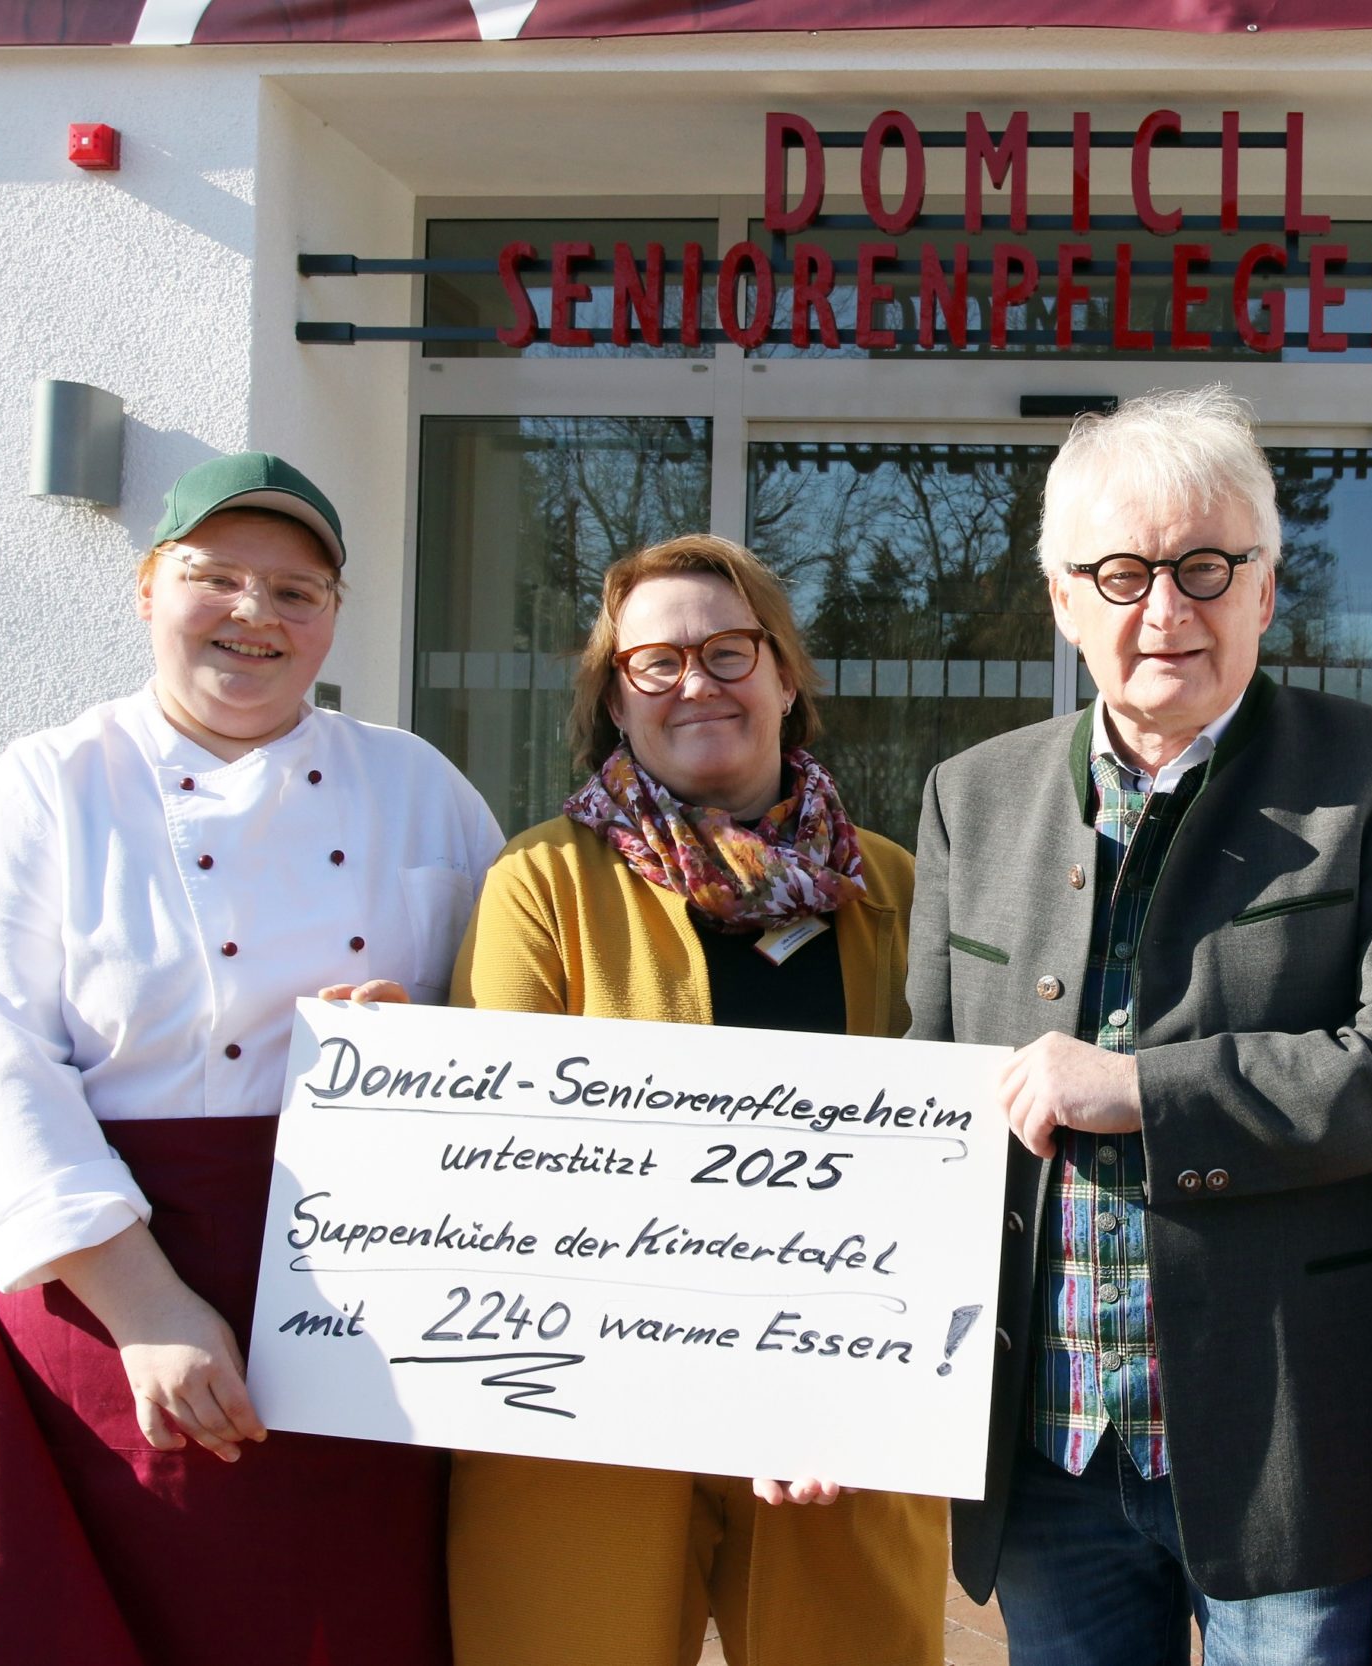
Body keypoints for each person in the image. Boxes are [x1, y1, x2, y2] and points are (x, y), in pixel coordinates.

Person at [907, 385, 1372, 1666]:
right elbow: (931, 1128)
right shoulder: (973, 797)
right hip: (1051, 1448)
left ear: (1268, 588)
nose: (1164, 610)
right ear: (1062, 598)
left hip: (1288, 1444)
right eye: (1120, 573)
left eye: (1206, 566)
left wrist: (1147, 1089)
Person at [0, 452, 502, 1665]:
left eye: (296, 591)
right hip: (107, 1276)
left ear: (334, 614)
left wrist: (422, 1035)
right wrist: (151, 1309)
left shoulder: (419, 785)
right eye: (216, 576)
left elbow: (503, 1014)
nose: (255, 615)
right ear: (145, 589)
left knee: (351, 1617)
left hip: (360, 1297)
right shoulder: (49, 787)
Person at [444, 534, 947, 1666]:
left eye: (726, 650)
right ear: (614, 703)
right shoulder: (541, 884)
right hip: (589, 1421)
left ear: (784, 677)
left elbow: (940, 1172)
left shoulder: (895, 887)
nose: (695, 682)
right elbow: (503, 1166)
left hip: (839, 1418)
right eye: (653, 663)